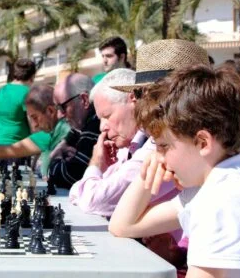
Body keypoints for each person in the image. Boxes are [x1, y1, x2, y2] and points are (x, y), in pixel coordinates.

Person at [110, 65, 240, 277]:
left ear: (203, 143)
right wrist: (149, 168)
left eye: (164, 146)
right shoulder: (224, 184)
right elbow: (123, 225)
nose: (160, 157)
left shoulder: (223, 202)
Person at [69, 68, 177, 216]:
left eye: (107, 116)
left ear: (132, 99)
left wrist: (95, 164)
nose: (102, 128)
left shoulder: (158, 146)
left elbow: (93, 200)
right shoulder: (132, 145)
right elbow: (80, 192)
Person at [0, 84, 70, 177]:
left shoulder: (53, 133)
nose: (35, 125)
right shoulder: (56, 129)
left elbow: (7, 151)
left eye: (35, 117)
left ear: (50, 111)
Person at [47, 73, 100, 188]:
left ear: (84, 100)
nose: (60, 115)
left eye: (63, 107)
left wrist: (56, 159)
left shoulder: (96, 123)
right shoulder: (80, 126)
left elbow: (69, 175)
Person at [0, 59, 37, 147]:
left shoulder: (0, 92)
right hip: (16, 148)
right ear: (32, 76)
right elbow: (34, 125)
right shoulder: (27, 93)